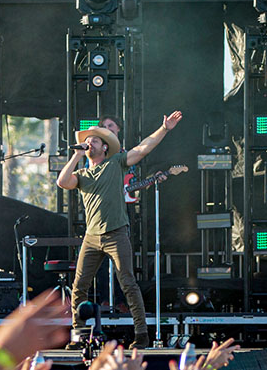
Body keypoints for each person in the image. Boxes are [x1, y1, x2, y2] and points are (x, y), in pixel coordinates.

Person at [55, 111, 182, 348]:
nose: (89, 142)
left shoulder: (115, 163)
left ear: (105, 148)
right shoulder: (82, 175)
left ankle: (142, 334)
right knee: (79, 287)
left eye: (95, 140)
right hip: (92, 237)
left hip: (116, 233)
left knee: (128, 283)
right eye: (88, 140)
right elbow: (62, 182)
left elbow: (143, 149)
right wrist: (76, 156)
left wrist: (164, 128)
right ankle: (78, 336)